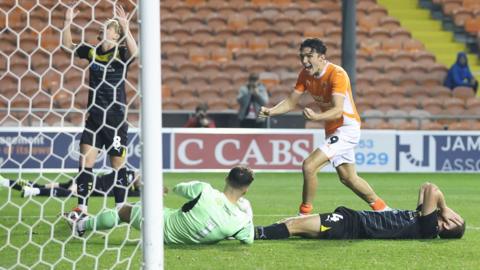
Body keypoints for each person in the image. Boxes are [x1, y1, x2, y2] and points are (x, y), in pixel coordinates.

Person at [259, 38, 389, 215]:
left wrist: (317, 116)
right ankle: (384, 209)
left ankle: (304, 214)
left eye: (309, 56)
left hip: (346, 126)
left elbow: (337, 111)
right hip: (332, 129)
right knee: (348, 178)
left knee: (309, 166)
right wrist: (271, 111)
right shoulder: (305, 75)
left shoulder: (337, 74)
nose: (304, 61)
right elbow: (291, 102)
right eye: (302, 57)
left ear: (321, 57)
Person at [62, 4, 138, 214]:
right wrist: (67, 22)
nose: (105, 26)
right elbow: (67, 46)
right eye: (105, 25)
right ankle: (82, 208)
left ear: (116, 34)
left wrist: (126, 26)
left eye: (110, 26)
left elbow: (136, 53)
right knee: (85, 162)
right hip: (95, 117)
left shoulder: (121, 53)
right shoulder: (92, 52)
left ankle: (121, 207)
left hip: (115, 119)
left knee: (117, 164)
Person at [65, 166, 255, 245]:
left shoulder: (205, 190)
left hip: (161, 225)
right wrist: (248, 212)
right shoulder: (240, 219)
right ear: (245, 190)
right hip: (182, 240)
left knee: (123, 211)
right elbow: (249, 240)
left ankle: (81, 225)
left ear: (226, 178)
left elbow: (179, 189)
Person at [255, 182, 465, 240]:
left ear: (448, 225)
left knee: (292, 226)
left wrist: (444, 208)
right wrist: (441, 209)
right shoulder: (423, 220)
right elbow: (424, 186)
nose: (452, 213)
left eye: (455, 218)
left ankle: (253, 233)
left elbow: (432, 190)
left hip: (350, 225)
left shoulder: (430, 228)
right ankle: (257, 232)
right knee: (291, 222)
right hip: (350, 220)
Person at [0, 170, 140, 198]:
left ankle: (5, 182)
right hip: (88, 182)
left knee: (42, 186)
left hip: (85, 178)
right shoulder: (128, 176)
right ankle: (33, 192)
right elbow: (138, 187)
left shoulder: (129, 187)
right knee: (72, 193)